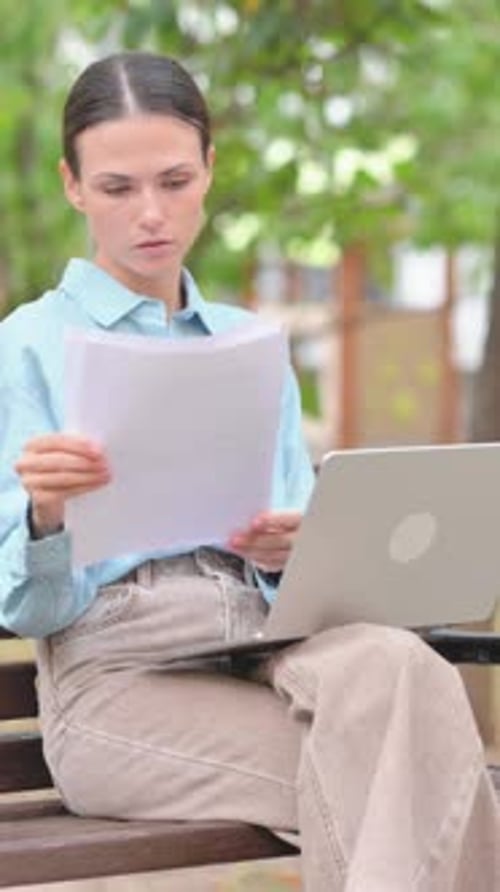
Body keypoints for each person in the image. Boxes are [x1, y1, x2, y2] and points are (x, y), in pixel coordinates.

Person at [0, 51, 499, 892]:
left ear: (208, 171)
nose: (151, 213)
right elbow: (30, 610)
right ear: (73, 185)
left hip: (262, 646)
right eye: (119, 188)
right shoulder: (26, 347)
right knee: (424, 778)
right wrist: (46, 518)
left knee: (401, 664)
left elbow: (303, 580)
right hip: (118, 679)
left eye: (175, 179)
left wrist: (287, 552)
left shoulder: (249, 343)